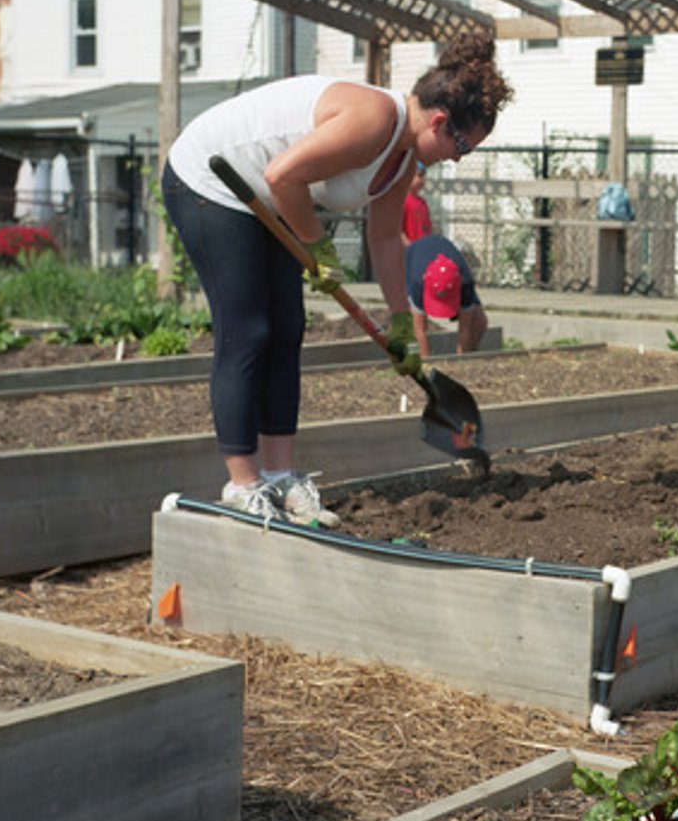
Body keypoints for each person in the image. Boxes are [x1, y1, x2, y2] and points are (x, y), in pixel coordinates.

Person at [162, 32, 512, 524]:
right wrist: (317, 246)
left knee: (287, 330)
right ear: (439, 121)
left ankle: (282, 477)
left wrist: (398, 323)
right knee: (249, 331)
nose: (457, 159)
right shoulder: (376, 119)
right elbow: (285, 175)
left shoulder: (403, 156)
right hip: (213, 181)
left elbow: (386, 239)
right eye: (463, 147)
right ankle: (244, 485)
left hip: (268, 196)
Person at [405, 235, 488, 356]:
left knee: (479, 322)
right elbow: (419, 330)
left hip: (452, 268)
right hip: (414, 256)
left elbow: (465, 329)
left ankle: (470, 357)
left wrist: (461, 361)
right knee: (410, 325)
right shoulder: (418, 282)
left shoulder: (466, 281)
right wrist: (427, 364)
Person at [401, 161, 434, 244]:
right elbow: (398, 231)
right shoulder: (403, 202)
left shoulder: (422, 203)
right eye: (419, 175)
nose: (423, 180)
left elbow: (427, 229)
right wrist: (409, 247)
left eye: (423, 176)